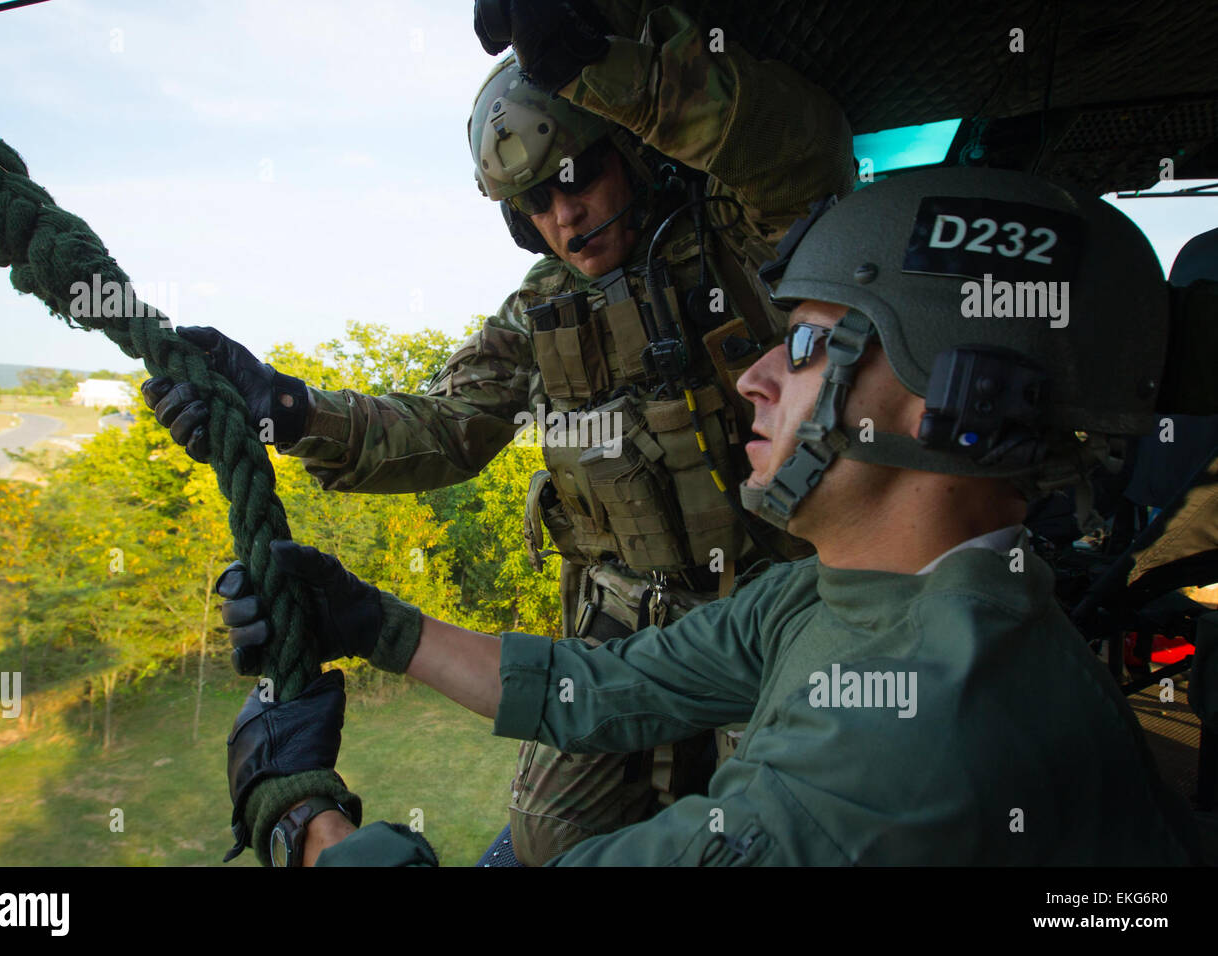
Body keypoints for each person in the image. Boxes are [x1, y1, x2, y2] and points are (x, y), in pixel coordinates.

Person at [216, 166, 1203, 866]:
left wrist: (302, 820)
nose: (753, 375)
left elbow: (785, 141)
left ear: (956, 403)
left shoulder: (898, 757)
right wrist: (369, 619)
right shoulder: (834, 596)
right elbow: (602, 685)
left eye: (810, 344)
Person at [145, 4, 853, 865]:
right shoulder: (538, 312)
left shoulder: (735, 243)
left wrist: (617, 72)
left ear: (628, 152)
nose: (564, 211)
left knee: (769, 829)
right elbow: (444, 426)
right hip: (617, 625)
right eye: (535, 200)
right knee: (545, 835)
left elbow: (798, 152)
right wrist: (288, 410)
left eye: (579, 173)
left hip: (766, 608)